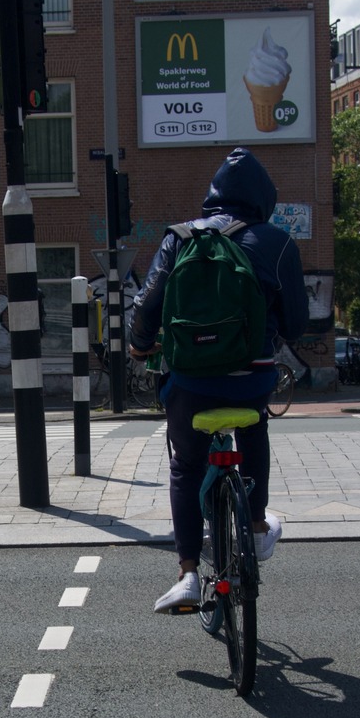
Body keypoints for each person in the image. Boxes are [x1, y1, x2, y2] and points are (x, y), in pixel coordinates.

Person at [128, 147, 308, 613]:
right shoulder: (277, 241)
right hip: (252, 379)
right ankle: (257, 527)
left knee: (186, 466)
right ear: (263, 197)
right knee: (254, 427)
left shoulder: (179, 237)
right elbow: (297, 325)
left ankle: (188, 574)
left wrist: (138, 344)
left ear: (211, 196)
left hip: (188, 382)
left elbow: (147, 307)